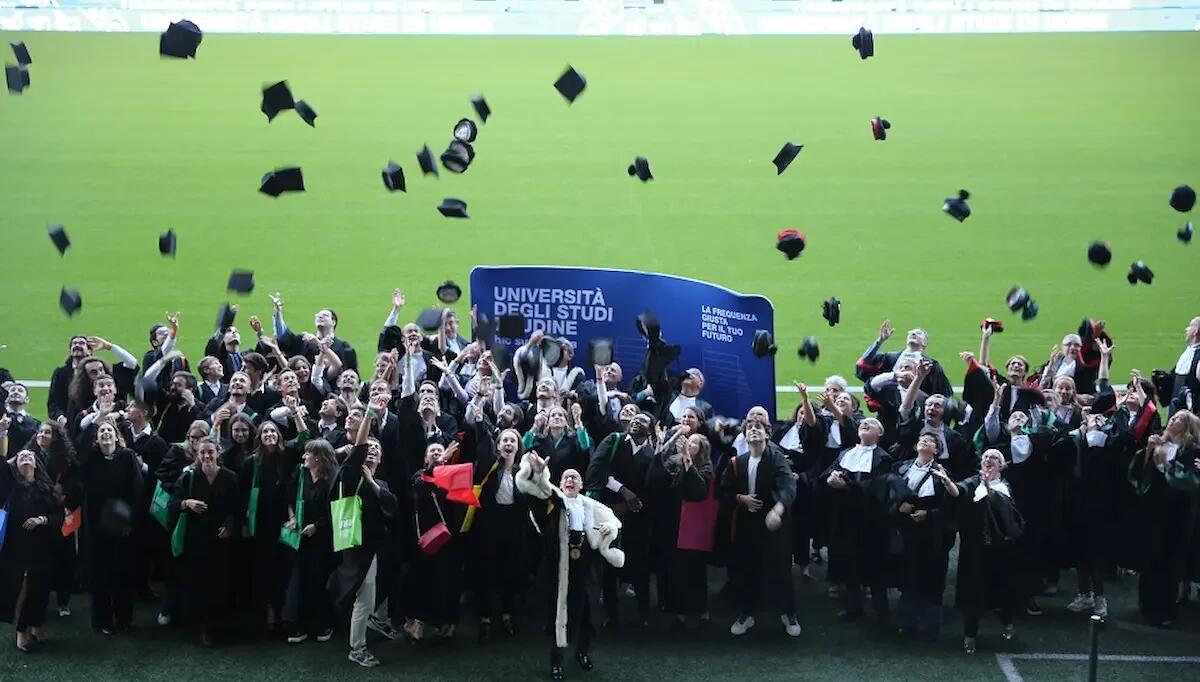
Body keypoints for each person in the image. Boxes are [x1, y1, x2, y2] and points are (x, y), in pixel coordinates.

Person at [516, 453, 624, 682]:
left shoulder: (592, 506)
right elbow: (538, 495)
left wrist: (605, 529)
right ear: (560, 483)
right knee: (559, 614)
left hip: (585, 566)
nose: (570, 481)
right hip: (557, 567)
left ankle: (582, 652)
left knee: (587, 613)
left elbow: (613, 522)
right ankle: (556, 662)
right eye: (566, 478)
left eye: (575, 477)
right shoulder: (554, 502)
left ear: (581, 484)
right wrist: (538, 474)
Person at [327, 393, 398, 668]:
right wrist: (369, 413)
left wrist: (372, 481)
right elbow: (358, 449)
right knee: (364, 599)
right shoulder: (349, 473)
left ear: (381, 459)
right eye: (368, 449)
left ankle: (377, 625)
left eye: (375, 451)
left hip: (375, 547)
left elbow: (392, 505)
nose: (370, 452)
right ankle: (357, 648)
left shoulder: (380, 482)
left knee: (375, 592)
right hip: (357, 547)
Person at [721, 420, 801, 637]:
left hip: (775, 524)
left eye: (759, 428)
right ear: (745, 436)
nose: (754, 431)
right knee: (747, 568)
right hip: (747, 524)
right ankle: (746, 613)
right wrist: (741, 498)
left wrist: (777, 510)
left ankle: (788, 613)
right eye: (749, 428)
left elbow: (788, 487)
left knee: (781, 568)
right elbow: (724, 491)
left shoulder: (776, 459)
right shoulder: (737, 461)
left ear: (767, 434)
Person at [1126, 410, 1200, 627]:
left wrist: (1164, 465)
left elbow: (1190, 482)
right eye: (1173, 417)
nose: (1173, 420)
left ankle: (1164, 608)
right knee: (1150, 554)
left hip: (1178, 513)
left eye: (1179, 419)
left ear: (1188, 427)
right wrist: (1148, 452)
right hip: (1152, 510)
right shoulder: (1159, 444)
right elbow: (1138, 476)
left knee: (1169, 558)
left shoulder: (1192, 452)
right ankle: (1146, 602)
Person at [585, 409, 655, 628]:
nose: (636, 421)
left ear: (650, 430)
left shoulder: (653, 454)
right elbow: (596, 471)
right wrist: (623, 492)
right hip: (609, 511)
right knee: (608, 565)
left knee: (640, 565)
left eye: (643, 420)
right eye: (634, 419)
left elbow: (651, 486)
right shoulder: (614, 441)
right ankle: (610, 616)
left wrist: (631, 504)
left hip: (637, 516)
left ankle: (644, 614)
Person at [241, 413, 309, 631]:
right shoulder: (251, 462)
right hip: (260, 522)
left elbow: (304, 436)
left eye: (272, 431)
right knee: (264, 566)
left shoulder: (287, 455)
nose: (269, 434)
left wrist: (295, 412)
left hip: (285, 521)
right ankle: (269, 609)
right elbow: (242, 494)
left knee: (284, 566)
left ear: (278, 436)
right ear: (259, 437)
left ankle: (283, 609)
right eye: (265, 432)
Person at [168, 436, 239, 647]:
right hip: (195, 540)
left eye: (210, 452)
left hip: (220, 540)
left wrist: (230, 525)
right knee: (196, 583)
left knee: (219, 583)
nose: (207, 456)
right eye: (203, 453)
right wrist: (186, 502)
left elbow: (237, 508)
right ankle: (200, 626)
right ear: (197, 455)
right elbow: (173, 503)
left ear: (218, 453)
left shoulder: (230, 477)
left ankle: (217, 624)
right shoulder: (189, 478)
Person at [887, 433, 958, 642]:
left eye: (930, 441)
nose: (924, 442)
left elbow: (950, 507)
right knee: (908, 579)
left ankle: (931, 628)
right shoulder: (900, 467)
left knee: (933, 580)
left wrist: (929, 515)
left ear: (936, 450)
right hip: (906, 531)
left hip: (933, 535)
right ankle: (908, 624)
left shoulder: (943, 473)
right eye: (922, 439)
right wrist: (899, 508)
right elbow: (889, 495)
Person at [821, 418, 893, 622]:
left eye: (871, 424)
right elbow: (829, 473)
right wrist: (830, 479)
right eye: (863, 423)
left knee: (874, 565)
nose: (865, 424)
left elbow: (877, 488)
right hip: (845, 517)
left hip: (871, 519)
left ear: (880, 434)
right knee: (849, 562)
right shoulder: (846, 453)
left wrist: (846, 486)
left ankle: (881, 609)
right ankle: (853, 606)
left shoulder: (883, 458)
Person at [77, 420, 144, 634]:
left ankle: (124, 619)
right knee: (100, 576)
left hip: (122, 526)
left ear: (116, 436)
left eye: (109, 430)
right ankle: (103, 621)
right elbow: (78, 446)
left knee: (123, 573)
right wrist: (101, 416)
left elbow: (137, 489)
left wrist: (128, 520)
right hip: (97, 528)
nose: (105, 433)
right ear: (96, 439)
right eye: (101, 431)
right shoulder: (90, 459)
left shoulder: (127, 456)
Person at [0, 426, 63, 652]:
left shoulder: (46, 489)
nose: (26, 457)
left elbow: (58, 517)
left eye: (30, 456)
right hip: (15, 550)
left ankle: (36, 624)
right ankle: (21, 631)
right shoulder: (8, 488)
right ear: (15, 464)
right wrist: (5, 443)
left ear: (37, 464)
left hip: (42, 548)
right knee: (20, 590)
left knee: (41, 588)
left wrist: (42, 519)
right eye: (21, 456)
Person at [952, 449, 1022, 655]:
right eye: (985, 457)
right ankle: (970, 635)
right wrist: (948, 483)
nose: (988, 460)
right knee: (973, 593)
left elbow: (1003, 506)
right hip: (973, 549)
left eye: (994, 458)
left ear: (1001, 465)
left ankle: (1008, 623)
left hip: (1001, 550)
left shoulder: (1004, 486)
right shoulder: (973, 482)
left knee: (1003, 590)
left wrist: (988, 487)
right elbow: (959, 491)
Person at [645, 431, 715, 628]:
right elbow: (654, 480)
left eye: (693, 444)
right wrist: (662, 446)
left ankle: (700, 609)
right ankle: (680, 609)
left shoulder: (706, 466)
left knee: (695, 569)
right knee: (676, 568)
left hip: (693, 526)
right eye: (687, 442)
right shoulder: (673, 463)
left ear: (701, 450)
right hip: (673, 523)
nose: (688, 445)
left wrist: (688, 461)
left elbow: (698, 490)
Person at [285, 439, 337, 644]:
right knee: (300, 581)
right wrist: (291, 517)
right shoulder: (301, 474)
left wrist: (317, 526)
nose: (304, 457)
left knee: (320, 582)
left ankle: (325, 622)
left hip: (322, 539)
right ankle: (301, 624)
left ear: (318, 456)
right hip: (300, 537)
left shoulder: (332, 478)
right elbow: (288, 497)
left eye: (308, 453)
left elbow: (333, 509)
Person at [857, 321, 952, 398]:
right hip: (889, 409)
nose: (913, 333)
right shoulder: (890, 358)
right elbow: (862, 367)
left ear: (925, 343)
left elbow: (944, 395)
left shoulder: (931, 366)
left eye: (919, 333)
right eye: (910, 333)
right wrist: (879, 341)